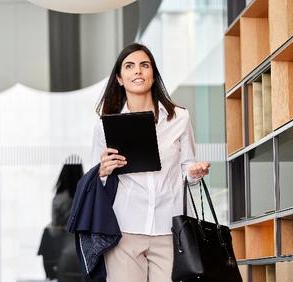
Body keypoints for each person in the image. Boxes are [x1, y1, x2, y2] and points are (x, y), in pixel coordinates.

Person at [91, 42, 210, 282]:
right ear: (120, 78)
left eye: (144, 65)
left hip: (169, 228)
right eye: (130, 66)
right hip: (124, 229)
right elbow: (96, 182)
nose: (138, 71)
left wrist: (195, 172)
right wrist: (102, 171)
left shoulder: (179, 117)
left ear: (153, 75)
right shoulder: (105, 125)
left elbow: (187, 167)